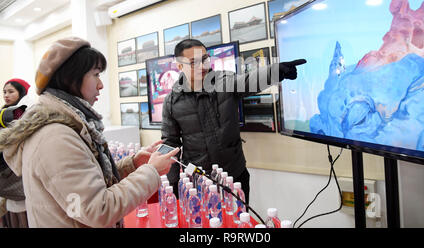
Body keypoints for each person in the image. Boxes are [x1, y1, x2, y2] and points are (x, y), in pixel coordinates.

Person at [0, 36, 179, 228]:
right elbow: (98, 210)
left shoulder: (65, 126)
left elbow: (86, 182)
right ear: (71, 78)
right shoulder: (56, 137)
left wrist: (132, 165)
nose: (100, 85)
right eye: (95, 75)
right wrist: (150, 172)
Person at [161, 39, 305, 201]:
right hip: (198, 182)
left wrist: (277, 71)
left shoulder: (225, 81)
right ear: (180, 66)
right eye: (193, 62)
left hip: (235, 175)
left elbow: (250, 80)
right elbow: (170, 144)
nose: (202, 66)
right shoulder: (172, 102)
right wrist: (172, 184)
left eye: (204, 59)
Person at [0, 78, 31, 228]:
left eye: (11, 91)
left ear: (22, 93)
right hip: (6, 180)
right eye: (4, 92)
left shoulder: (28, 114)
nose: (6, 95)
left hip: (20, 178)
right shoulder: (3, 114)